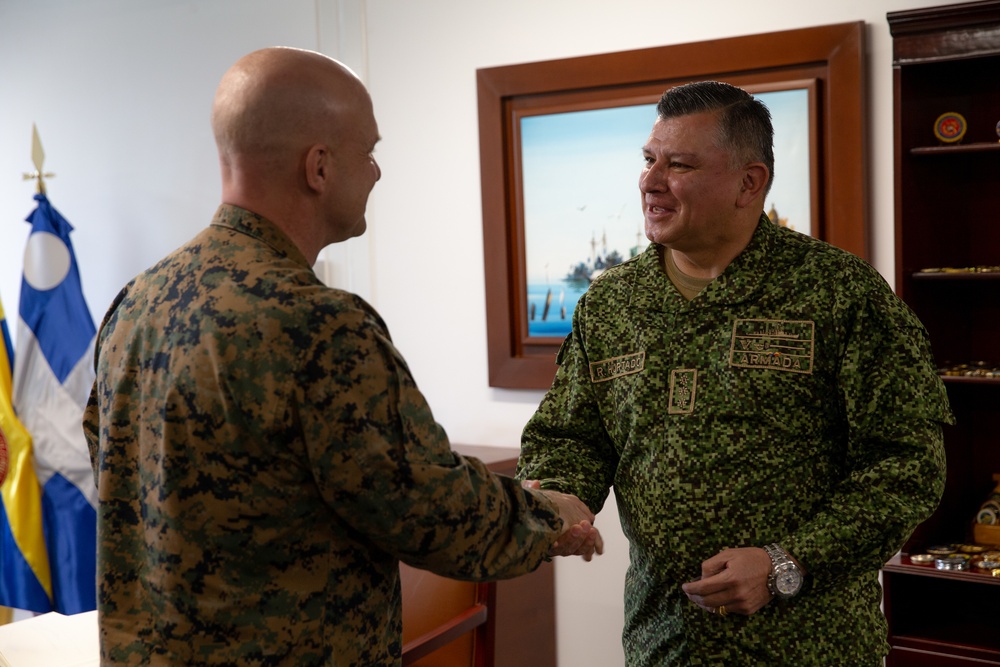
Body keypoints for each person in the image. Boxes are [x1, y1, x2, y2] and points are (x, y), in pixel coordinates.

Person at [83, 46, 601, 666]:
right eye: (370, 151)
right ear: (319, 167)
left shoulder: (137, 303)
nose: (378, 173)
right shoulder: (321, 325)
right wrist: (548, 515)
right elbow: (423, 506)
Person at [516, 80, 952, 666]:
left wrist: (785, 562)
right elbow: (571, 436)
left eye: (679, 165)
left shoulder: (838, 293)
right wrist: (560, 496)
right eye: (649, 160)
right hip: (664, 640)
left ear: (750, 182)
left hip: (809, 644)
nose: (650, 182)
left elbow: (908, 464)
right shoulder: (612, 302)